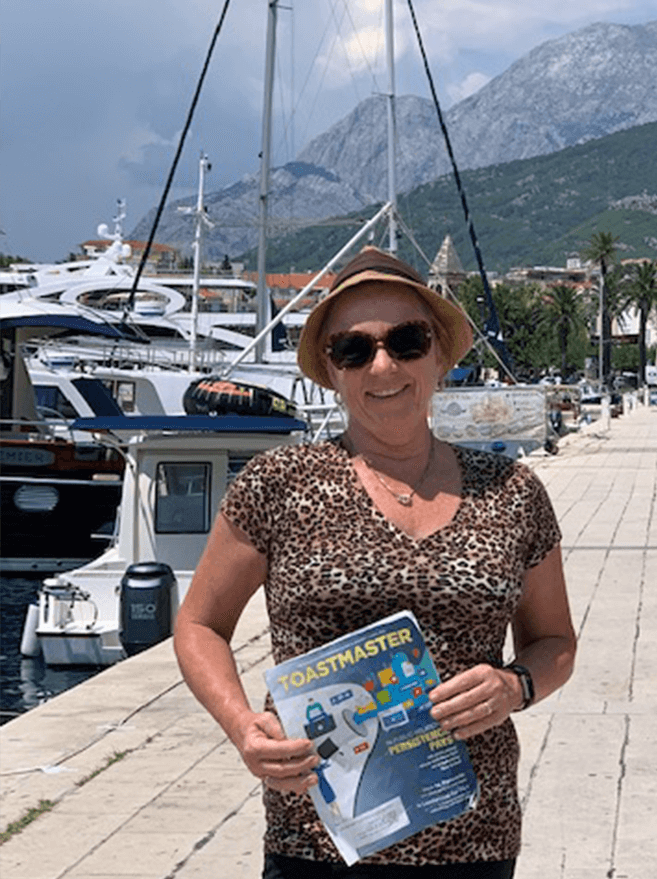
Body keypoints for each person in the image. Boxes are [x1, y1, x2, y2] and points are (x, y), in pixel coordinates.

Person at [174, 245, 577, 879]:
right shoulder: (278, 482)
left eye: (406, 341)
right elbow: (199, 624)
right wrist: (242, 725)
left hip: (473, 836)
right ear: (331, 372)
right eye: (353, 350)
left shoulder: (512, 491)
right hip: (319, 838)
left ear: (439, 355)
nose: (382, 364)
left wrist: (513, 686)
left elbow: (554, 642)